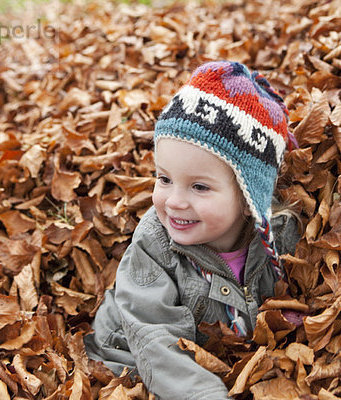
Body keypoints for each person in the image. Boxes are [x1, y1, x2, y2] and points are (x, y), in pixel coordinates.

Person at [84, 61, 301, 399]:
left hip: (222, 360)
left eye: (199, 187)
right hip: (131, 361)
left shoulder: (278, 236)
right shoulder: (153, 246)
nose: (174, 202)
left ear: (249, 198)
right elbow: (156, 338)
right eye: (165, 179)